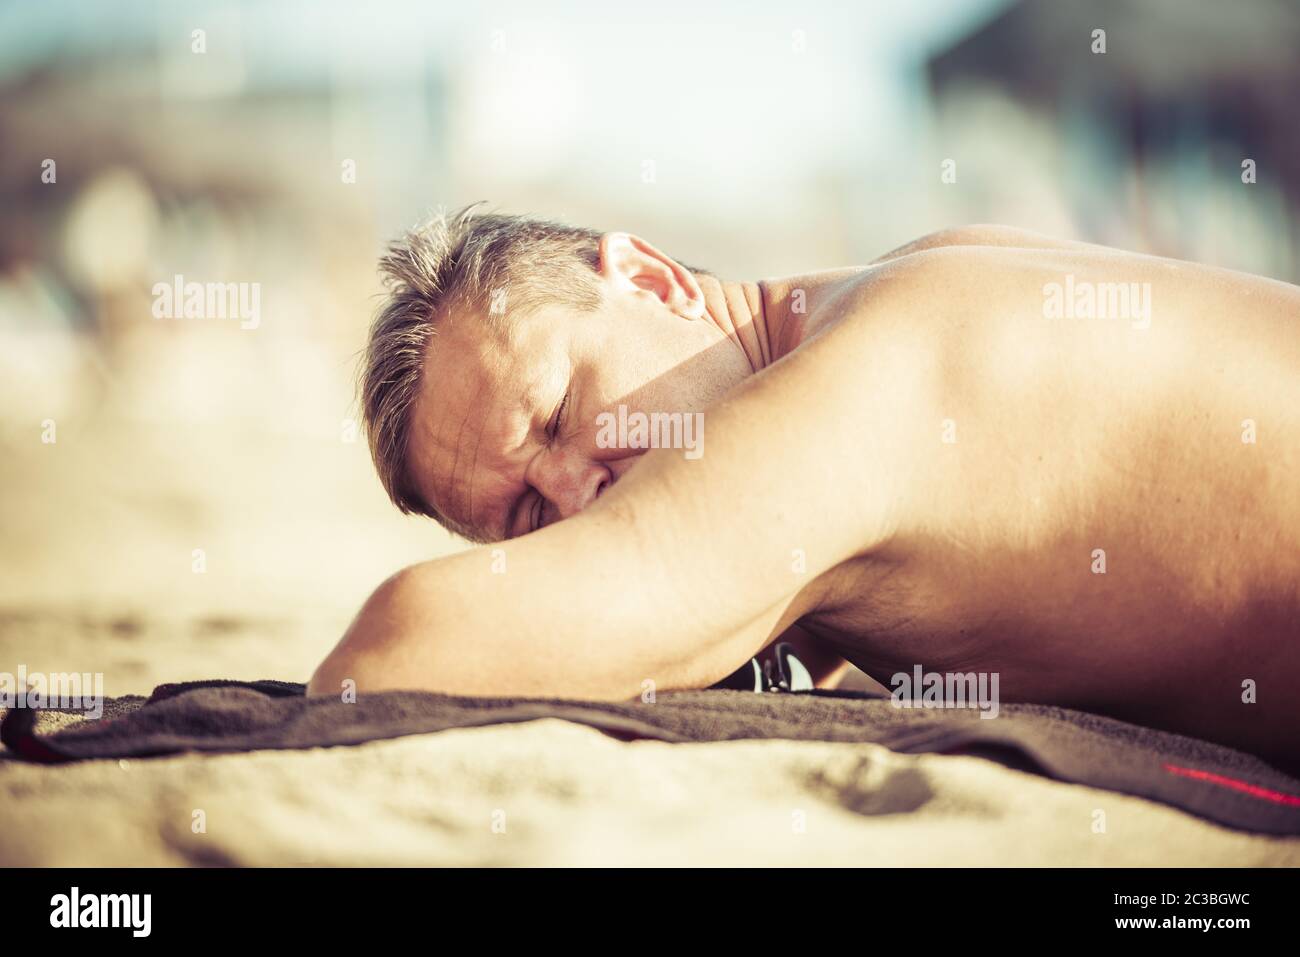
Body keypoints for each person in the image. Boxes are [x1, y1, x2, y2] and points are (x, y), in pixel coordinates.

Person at [308, 206, 1300, 768]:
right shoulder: (918, 278)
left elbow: (391, 651)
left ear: (653, 280)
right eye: (524, 517)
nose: (574, 496)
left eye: (561, 412)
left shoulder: (855, 381)